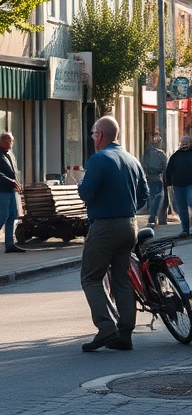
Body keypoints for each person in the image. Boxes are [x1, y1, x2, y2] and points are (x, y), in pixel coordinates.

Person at [77, 115, 149, 351]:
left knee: (90, 277)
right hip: (130, 225)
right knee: (122, 278)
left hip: (105, 226)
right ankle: (125, 333)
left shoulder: (99, 160)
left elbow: (86, 193)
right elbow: (145, 195)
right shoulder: (131, 159)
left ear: (101, 135)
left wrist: (81, 184)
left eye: (94, 134)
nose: (93, 138)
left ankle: (106, 329)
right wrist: (125, 208)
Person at [165, 135, 192, 237]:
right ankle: (185, 229)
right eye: (183, 142)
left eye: (186, 142)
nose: (184, 143)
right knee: (182, 208)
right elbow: (169, 170)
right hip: (178, 185)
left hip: (190, 184)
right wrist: (169, 184)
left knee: (191, 201)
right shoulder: (175, 156)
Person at [140, 131, 167, 225]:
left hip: (150, 178)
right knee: (158, 197)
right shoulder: (161, 153)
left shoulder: (147, 154)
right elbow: (165, 167)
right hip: (157, 178)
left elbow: (143, 165)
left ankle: (152, 216)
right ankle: (153, 215)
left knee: (152, 197)